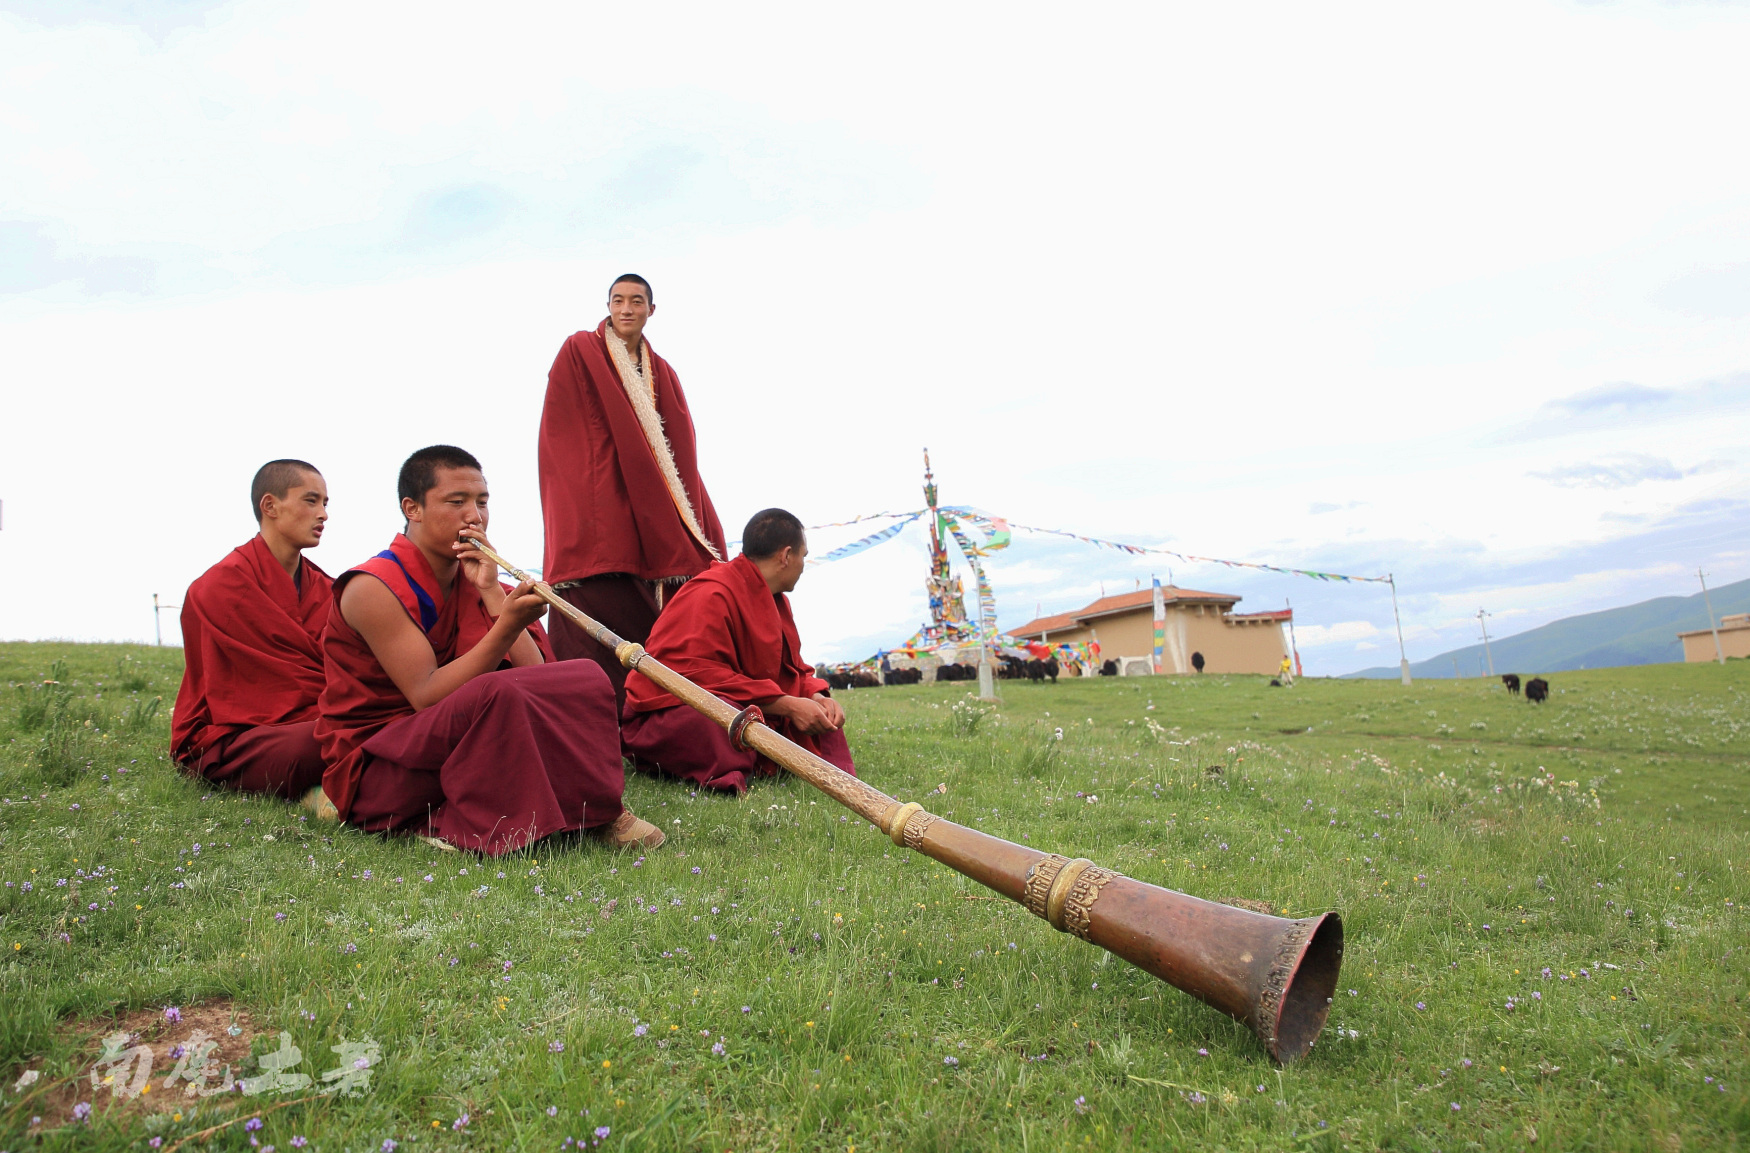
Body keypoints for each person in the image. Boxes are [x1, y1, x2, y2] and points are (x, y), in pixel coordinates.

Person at [315, 445, 661, 855]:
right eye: (456, 502)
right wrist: (508, 624)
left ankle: (597, 811)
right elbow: (425, 695)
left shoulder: (481, 579)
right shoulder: (372, 587)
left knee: (583, 675)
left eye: (482, 502)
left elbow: (540, 677)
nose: (474, 517)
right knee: (498, 692)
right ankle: (506, 819)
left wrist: (492, 592)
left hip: (450, 744)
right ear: (413, 508)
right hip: (382, 769)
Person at [538, 273, 728, 710]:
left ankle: (655, 704)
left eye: (636, 301)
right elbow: (568, 430)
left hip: (649, 492)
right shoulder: (581, 350)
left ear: (651, 310)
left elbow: (679, 449)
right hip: (602, 487)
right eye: (618, 300)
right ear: (608, 306)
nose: (626, 309)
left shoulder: (662, 371)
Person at [620, 508, 856, 795]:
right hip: (670, 710)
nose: (803, 566)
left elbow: (792, 669)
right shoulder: (711, 592)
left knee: (820, 717)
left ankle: (767, 747)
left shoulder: (776, 600)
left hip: (752, 703)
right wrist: (788, 705)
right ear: (786, 556)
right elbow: (690, 677)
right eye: (803, 557)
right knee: (723, 721)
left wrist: (814, 696)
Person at [172, 459, 334, 804]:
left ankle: (323, 787)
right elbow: (247, 688)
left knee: (364, 728)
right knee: (331, 738)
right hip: (238, 737)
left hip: (318, 722)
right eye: (310, 500)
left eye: (325, 503)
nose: (323, 514)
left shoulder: (327, 590)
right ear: (270, 506)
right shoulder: (217, 588)